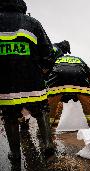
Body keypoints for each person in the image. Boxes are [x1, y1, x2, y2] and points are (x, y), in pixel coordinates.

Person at [0, 0, 55, 161]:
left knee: (10, 117)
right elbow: (48, 53)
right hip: (32, 82)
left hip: (5, 85)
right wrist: (43, 72)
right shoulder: (32, 22)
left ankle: (15, 154)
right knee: (41, 110)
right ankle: (47, 147)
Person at [47, 41, 90, 128]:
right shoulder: (79, 59)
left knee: (51, 106)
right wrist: (88, 89)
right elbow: (87, 72)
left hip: (58, 77)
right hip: (79, 77)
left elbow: (50, 72)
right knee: (88, 106)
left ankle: (46, 130)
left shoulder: (58, 59)